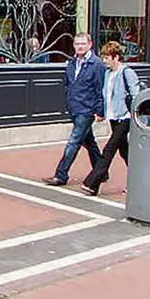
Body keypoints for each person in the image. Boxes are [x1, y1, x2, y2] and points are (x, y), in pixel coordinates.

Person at [42, 33, 105, 187]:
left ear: (90, 44)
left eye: (83, 43)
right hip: (74, 109)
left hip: (87, 110)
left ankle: (61, 175)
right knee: (90, 142)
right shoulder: (72, 63)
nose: (80, 47)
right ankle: (102, 171)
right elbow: (68, 85)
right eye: (77, 44)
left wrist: (100, 110)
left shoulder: (97, 64)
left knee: (74, 142)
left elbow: (100, 89)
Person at [80, 41, 140, 196]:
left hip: (125, 117)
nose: (104, 60)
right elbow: (105, 95)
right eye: (103, 57)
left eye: (107, 57)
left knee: (109, 149)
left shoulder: (127, 73)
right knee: (124, 151)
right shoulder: (108, 74)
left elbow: (135, 95)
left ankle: (92, 183)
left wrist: (135, 116)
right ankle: (140, 180)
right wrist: (102, 113)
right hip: (113, 117)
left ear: (116, 57)